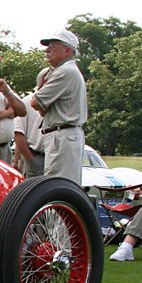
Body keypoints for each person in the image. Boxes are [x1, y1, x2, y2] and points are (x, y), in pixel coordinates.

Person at [26, 29, 87, 182]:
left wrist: (40, 88)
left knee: (58, 185)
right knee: (61, 184)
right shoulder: (69, 70)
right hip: (64, 135)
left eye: (53, 46)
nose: (47, 50)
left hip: (62, 135)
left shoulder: (64, 72)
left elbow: (35, 102)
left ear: (67, 50)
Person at [13, 69, 48, 178]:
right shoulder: (27, 102)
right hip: (36, 157)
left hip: (56, 157)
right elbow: (18, 134)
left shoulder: (59, 102)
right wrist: (30, 159)